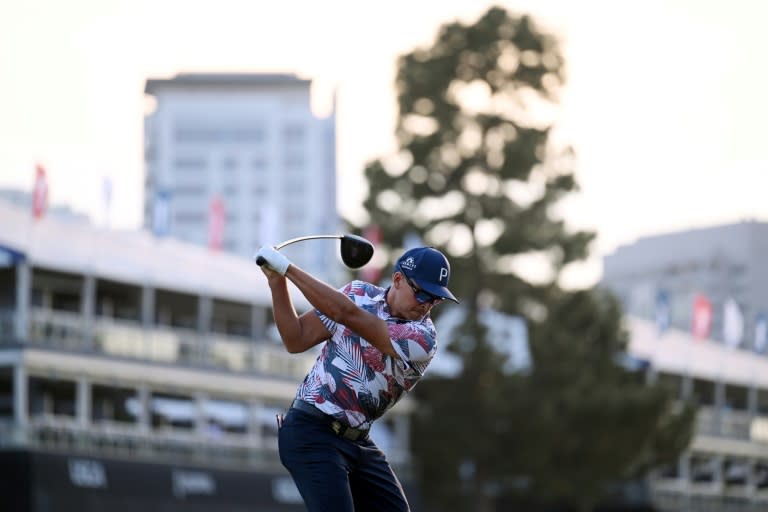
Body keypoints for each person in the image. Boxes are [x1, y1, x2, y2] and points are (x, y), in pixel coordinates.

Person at [253, 244, 459, 512]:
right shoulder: (358, 293)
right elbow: (296, 338)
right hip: (309, 431)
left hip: (357, 441)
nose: (427, 305)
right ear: (397, 279)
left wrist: (288, 268)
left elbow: (346, 314)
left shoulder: (424, 338)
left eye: (435, 299)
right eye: (422, 294)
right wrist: (277, 282)